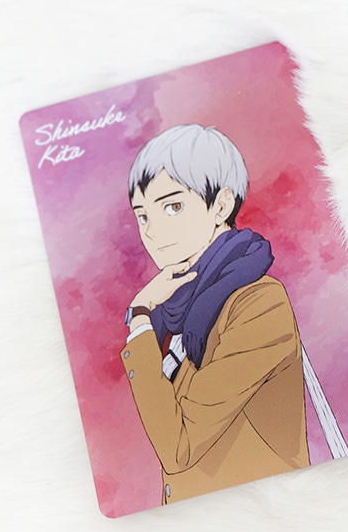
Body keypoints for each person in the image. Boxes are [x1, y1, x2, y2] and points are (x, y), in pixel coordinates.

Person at [119, 124, 309, 505]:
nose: (152, 231)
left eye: (172, 206)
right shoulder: (173, 310)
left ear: (221, 206)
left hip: (262, 512)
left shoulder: (259, 304)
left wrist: (139, 316)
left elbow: (179, 447)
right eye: (143, 216)